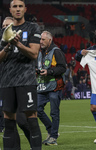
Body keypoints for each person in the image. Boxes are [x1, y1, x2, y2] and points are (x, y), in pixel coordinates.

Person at [0, 0, 42, 149]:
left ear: (25, 9)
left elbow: (34, 54)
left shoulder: (32, 28)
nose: (17, 9)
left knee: (31, 118)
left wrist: (18, 44)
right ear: (10, 10)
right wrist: (8, 46)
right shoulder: (3, 33)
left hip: (26, 80)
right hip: (7, 81)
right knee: (8, 120)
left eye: (20, 7)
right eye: (14, 7)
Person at [37, 31, 66, 145]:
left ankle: (53, 138)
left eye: (43, 39)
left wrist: (49, 72)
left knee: (54, 113)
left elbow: (62, 68)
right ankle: (51, 130)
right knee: (37, 109)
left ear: (50, 40)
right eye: (40, 39)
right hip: (42, 86)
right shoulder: (40, 52)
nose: (41, 41)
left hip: (54, 86)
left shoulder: (56, 51)